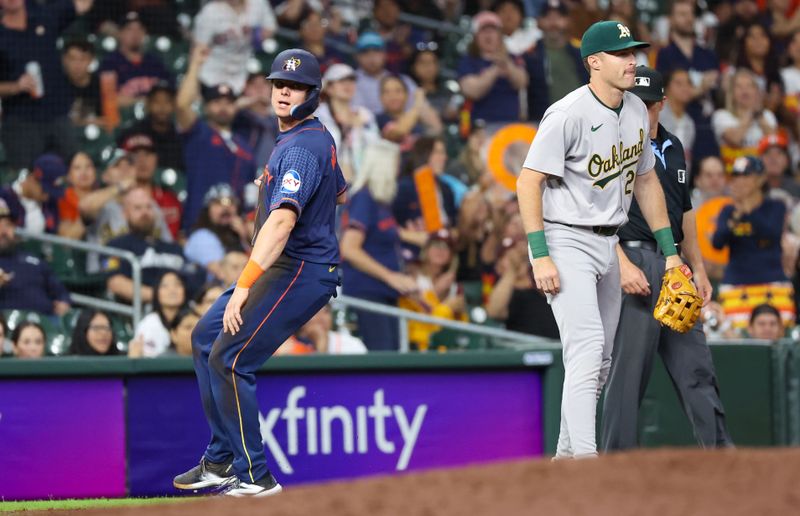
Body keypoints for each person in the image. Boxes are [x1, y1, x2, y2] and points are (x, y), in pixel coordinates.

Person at [173, 48, 346, 497]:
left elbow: (284, 221)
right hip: (290, 263)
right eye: (279, 84)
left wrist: (243, 285)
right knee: (205, 339)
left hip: (300, 267)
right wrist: (274, 184)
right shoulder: (307, 139)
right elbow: (340, 193)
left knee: (230, 358)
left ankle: (255, 476)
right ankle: (219, 459)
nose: (285, 92)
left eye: (296, 86)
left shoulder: (304, 146)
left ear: (313, 93)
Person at [516, 21, 682, 458]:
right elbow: (528, 181)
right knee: (588, 349)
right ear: (594, 61)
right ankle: (588, 464)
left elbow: (646, 181)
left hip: (609, 243)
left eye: (632, 53)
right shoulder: (568, 113)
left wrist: (670, 252)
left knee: (600, 362)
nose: (632, 60)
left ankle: (566, 458)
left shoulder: (632, 110)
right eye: (621, 54)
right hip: (566, 236)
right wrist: (540, 255)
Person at [601, 66, 732, 452]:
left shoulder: (673, 145)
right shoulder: (613, 147)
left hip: (675, 265)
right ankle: (615, 463)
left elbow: (685, 211)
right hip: (634, 260)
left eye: (646, 104)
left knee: (697, 368)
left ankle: (722, 455)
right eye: (631, 102)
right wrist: (622, 264)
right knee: (628, 375)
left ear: (661, 104)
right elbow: (595, 215)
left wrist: (701, 269)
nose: (638, 110)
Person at [340, 140, 418, 351]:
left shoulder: (380, 201)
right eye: (395, 164)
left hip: (384, 293)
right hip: (368, 292)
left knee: (393, 354)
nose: (398, 170)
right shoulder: (364, 197)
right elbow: (349, 249)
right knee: (383, 356)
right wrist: (390, 277)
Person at [0, 0, 92, 169]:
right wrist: (16, 86)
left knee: (75, 170)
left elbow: (82, 5)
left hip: (57, 114)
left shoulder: (44, 16)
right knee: (26, 178)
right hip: (21, 121)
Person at [176, 45, 256, 234]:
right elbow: (181, 106)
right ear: (205, 107)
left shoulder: (245, 147)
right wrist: (196, 64)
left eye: (228, 103)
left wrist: (247, 224)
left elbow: (251, 195)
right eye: (216, 102)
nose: (223, 107)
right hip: (199, 225)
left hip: (233, 231)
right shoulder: (199, 133)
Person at [712, 155, 795, 332]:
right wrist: (736, 215)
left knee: (778, 336)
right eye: (736, 176)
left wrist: (749, 209)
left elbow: (770, 234)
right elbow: (718, 243)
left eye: (745, 175)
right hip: (736, 283)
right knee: (735, 338)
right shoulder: (728, 210)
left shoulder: (776, 206)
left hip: (773, 283)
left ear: (760, 179)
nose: (739, 181)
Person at [655, 0, 720, 162]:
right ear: (671, 19)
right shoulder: (665, 55)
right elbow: (664, 93)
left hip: (707, 127)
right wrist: (700, 88)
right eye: (682, 14)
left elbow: (718, 94)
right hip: (677, 125)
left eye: (691, 14)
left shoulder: (708, 55)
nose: (688, 19)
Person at [104, 187, 189, 304]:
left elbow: (190, 278)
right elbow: (115, 283)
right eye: (137, 208)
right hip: (138, 313)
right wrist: (160, 296)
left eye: (149, 207)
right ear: (125, 213)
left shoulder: (174, 248)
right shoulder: (115, 246)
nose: (145, 212)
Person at [398, 229, 468, 350]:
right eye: (436, 246)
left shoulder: (454, 287)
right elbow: (422, 326)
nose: (440, 250)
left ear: (452, 255)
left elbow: (462, 328)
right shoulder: (411, 279)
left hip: (448, 350)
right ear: (426, 250)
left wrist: (460, 313)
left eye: (446, 247)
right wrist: (438, 295)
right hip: (418, 348)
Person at [0, 198, 71, 316]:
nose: (3, 231)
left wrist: (64, 301)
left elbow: (60, 291)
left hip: (46, 322)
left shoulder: (33, 259)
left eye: (7, 225)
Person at [458, 11, 529, 125]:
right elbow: (472, 91)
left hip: (511, 124)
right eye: (484, 31)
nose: (488, 35)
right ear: (475, 37)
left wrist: (507, 64)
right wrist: (495, 68)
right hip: (481, 126)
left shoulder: (513, 58)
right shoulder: (468, 61)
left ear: (500, 35)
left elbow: (522, 82)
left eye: (493, 31)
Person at [193, 0, 277, 94]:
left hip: (242, 71)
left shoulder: (258, 3)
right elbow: (199, 47)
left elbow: (270, 28)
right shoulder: (210, 11)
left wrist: (255, 34)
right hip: (212, 71)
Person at [315, 63, 379, 183]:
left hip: (362, 183)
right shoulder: (317, 116)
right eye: (341, 80)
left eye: (351, 80)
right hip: (328, 185)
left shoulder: (365, 115)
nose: (347, 84)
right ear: (329, 87)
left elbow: (375, 149)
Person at [98, 11, 172, 107]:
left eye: (139, 29)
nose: (135, 34)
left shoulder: (155, 62)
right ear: (120, 33)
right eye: (129, 29)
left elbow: (172, 94)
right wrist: (143, 101)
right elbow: (109, 100)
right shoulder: (109, 63)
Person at [119, 132, 182, 239]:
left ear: (156, 158)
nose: (142, 160)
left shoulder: (170, 199)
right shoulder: (116, 199)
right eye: (135, 155)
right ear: (124, 161)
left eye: (148, 154)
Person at [712, 68, 778, 170]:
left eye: (749, 86)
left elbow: (774, 143)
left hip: (762, 173)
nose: (745, 90)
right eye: (739, 86)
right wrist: (751, 114)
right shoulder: (721, 115)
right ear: (732, 93)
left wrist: (759, 115)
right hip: (733, 174)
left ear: (757, 91)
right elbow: (735, 140)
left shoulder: (767, 115)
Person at [184, 185, 248, 282]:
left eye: (231, 202)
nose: (225, 208)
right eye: (218, 203)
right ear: (208, 209)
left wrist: (245, 237)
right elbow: (223, 274)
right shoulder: (202, 236)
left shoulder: (241, 236)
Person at [531, 0, 587, 108]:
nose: (553, 23)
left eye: (558, 17)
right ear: (539, 21)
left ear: (568, 21)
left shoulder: (581, 52)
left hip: (580, 115)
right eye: (548, 17)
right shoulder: (531, 55)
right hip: (544, 119)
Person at [117, 82, 184, 171]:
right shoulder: (133, 132)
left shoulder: (180, 136)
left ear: (174, 105)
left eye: (167, 101)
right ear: (148, 104)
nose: (162, 107)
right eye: (156, 101)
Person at [352, 32, 417, 116]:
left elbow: (421, 111)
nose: (371, 57)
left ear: (385, 54)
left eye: (376, 51)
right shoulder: (349, 80)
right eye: (365, 52)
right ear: (357, 56)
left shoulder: (402, 80)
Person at [128, 271, 188, 358]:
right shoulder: (149, 323)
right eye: (165, 286)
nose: (172, 290)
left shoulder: (193, 319)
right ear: (156, 293)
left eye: (177, 284)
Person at [375, 75, 442, 150]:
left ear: (407, 95)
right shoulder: (378, 120)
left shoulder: (417, 119)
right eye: (387, 92)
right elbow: (398, 133)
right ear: (380, 97)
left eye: (398, 91)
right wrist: (418, 104)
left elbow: (437, 129)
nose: (393, 96)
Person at [233, 74, 279, 173]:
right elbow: (229, 109)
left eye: (264, 84)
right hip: (248, 174)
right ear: (246, 89)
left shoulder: (277, 119)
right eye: (254, 85)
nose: (260, 88)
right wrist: (253, 100)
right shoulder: (240, 116)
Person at [62, 38, 102, 127]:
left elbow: (110, 119)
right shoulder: (56, 85)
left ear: (91, 60)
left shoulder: (102, 85)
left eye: (83, 59)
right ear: (64, 60)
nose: (77, 64)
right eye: (72, 59)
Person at [295, 304, 367, 354]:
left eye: (326, 312)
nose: (321, 318)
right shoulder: (287, 343)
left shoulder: (351, 343)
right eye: (315, 312)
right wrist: (321, 343)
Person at [58, 151, 97, 240]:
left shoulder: (102, 194)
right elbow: (66, 239)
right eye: (77, 168)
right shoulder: (64, 198)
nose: (84, 172)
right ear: (69, 176)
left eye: (88, 166)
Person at [659, 69, 696, 160]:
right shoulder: (656, 115)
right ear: (667, 87)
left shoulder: (689, 123)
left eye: (688, 83)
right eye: (679, 83)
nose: (685, 87)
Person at [759, 133, 800, 198]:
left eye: (779, 153)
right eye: (767, 153)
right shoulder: (750, 189)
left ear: (787, 160)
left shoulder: (797, 189)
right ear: (759, 160)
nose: (773, 158)